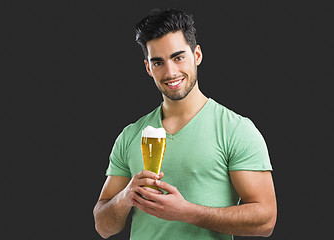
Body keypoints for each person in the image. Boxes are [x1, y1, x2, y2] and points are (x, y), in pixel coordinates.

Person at [93, 8, 277, 240]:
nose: (170, 72)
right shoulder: (131, 135)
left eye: (178, 57)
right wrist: (126, 196)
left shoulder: (235, 129)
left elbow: (266, 220)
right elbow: (103, 226)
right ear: (148, 68)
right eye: (158, 62)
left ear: (197, 55)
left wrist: (188, 213)